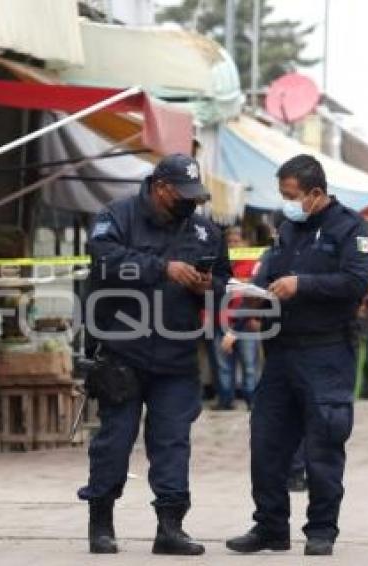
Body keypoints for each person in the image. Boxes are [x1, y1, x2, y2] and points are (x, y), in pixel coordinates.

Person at [80, 153, 231, 556]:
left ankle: (170, 526)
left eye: (195, 196)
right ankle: (101, 522)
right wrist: (162, 268)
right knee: (115, 440)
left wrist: (206, 285)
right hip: (122, 350)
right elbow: (105, 262)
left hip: (177, 353)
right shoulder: (118, 216)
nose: (190, 203)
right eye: (182, 195)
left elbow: (223, 280)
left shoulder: (203, 230)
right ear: (160, 187)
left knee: (172, 441)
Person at [226, 155, 368, 556]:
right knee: (266, 441)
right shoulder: (288, 228)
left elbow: (355, 281)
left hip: (327, 351)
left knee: (324, 443)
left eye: (291, 195)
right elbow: (267, 274)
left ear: (316, 193)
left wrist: (302, 284)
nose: (285, 202)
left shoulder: (351, 228)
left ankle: (321, 530)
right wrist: (247, 301)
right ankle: (270, 528)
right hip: (282, 352)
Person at [215, 227, 261, 410]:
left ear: (247, 244)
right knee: (223, 364)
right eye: (229, 242)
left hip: (246, 321)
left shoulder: (255, 264)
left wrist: (255, 316)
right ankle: (226, 400)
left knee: (249, 364)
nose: (233, 245)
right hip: (221, 320)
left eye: (237, 241)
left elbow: (259, 293)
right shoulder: (220, 264)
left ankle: (252, 400)